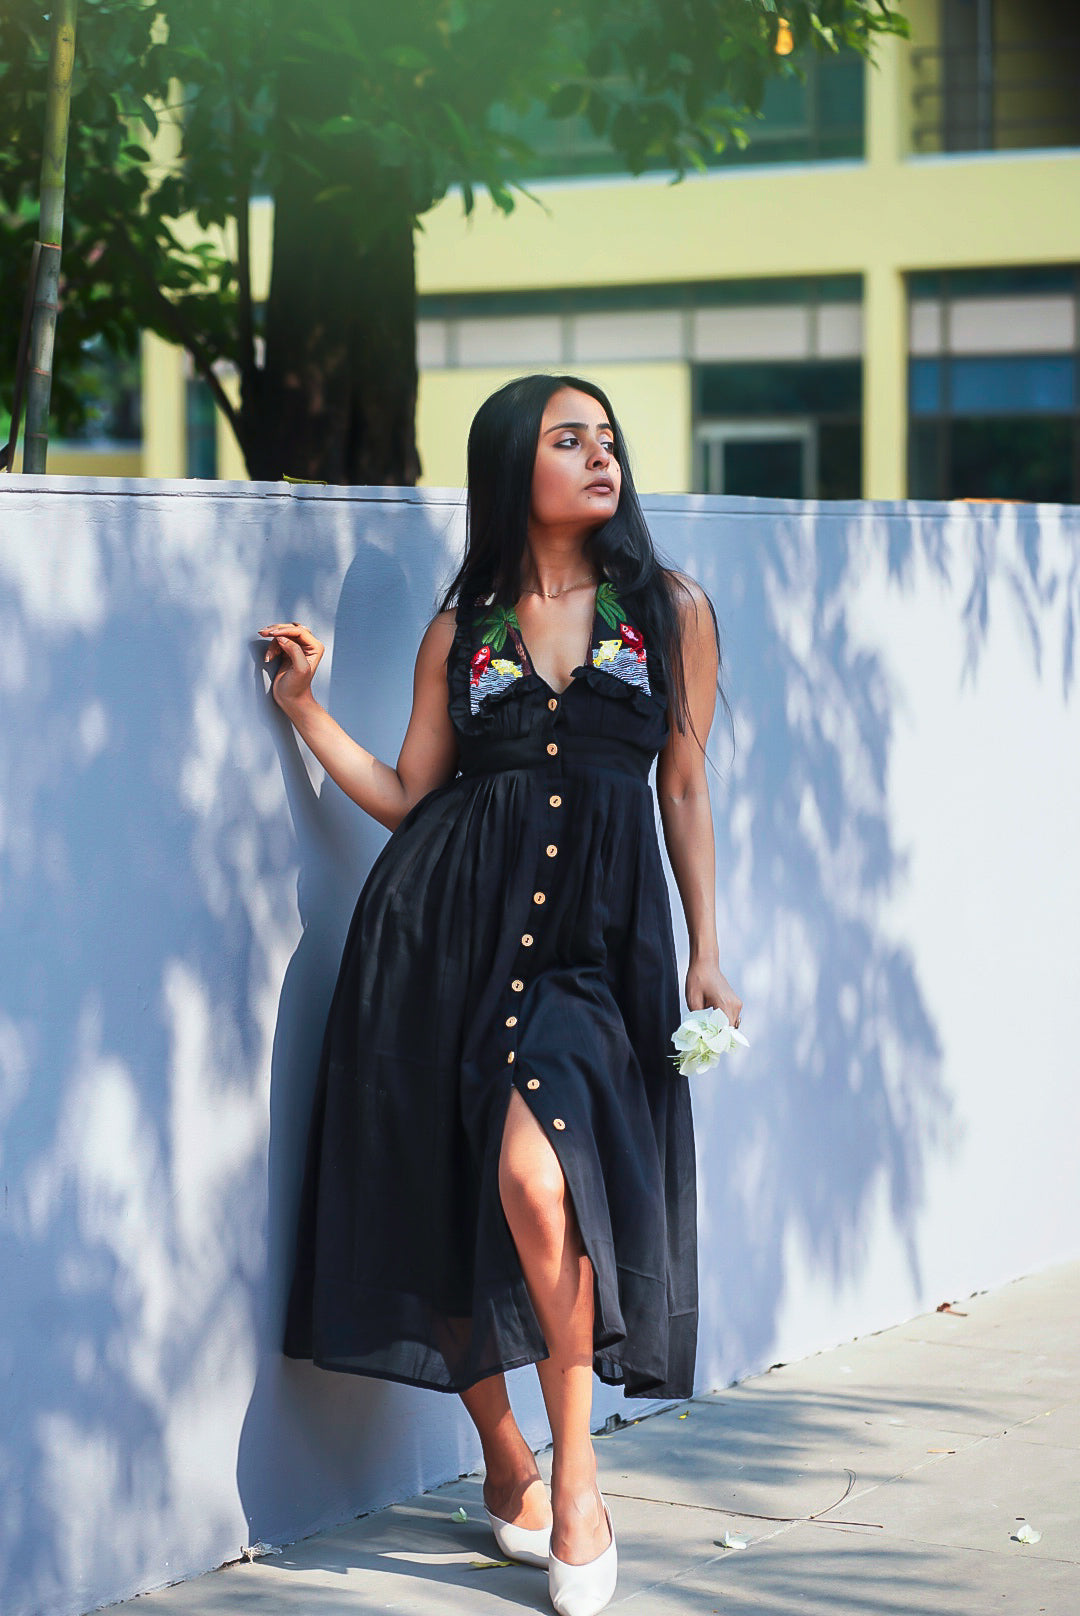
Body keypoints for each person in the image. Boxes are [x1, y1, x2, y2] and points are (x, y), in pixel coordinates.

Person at [259, 373, 742, 1616]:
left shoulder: (671, 610)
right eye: (567, 438)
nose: (600, 454)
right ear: (511, 464)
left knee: (539, 1179)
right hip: (438, 939)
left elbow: (683, 786)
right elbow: (412, 794)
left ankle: (577, 1479)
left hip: (596, 953)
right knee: (441, 1192)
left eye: (607, 437)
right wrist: (305, 711)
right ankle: (505, 1456)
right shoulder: (460, 631)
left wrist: (707, 946)